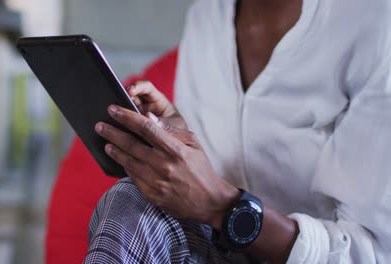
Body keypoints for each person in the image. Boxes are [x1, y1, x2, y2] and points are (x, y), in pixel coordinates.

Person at [85, 0, 391, 262]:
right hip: (217, 251)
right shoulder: (208, 14)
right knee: (134, 199)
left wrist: (222, 206)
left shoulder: (374, 23)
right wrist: (179, 140)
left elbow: (372, 252)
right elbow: (206, 180)